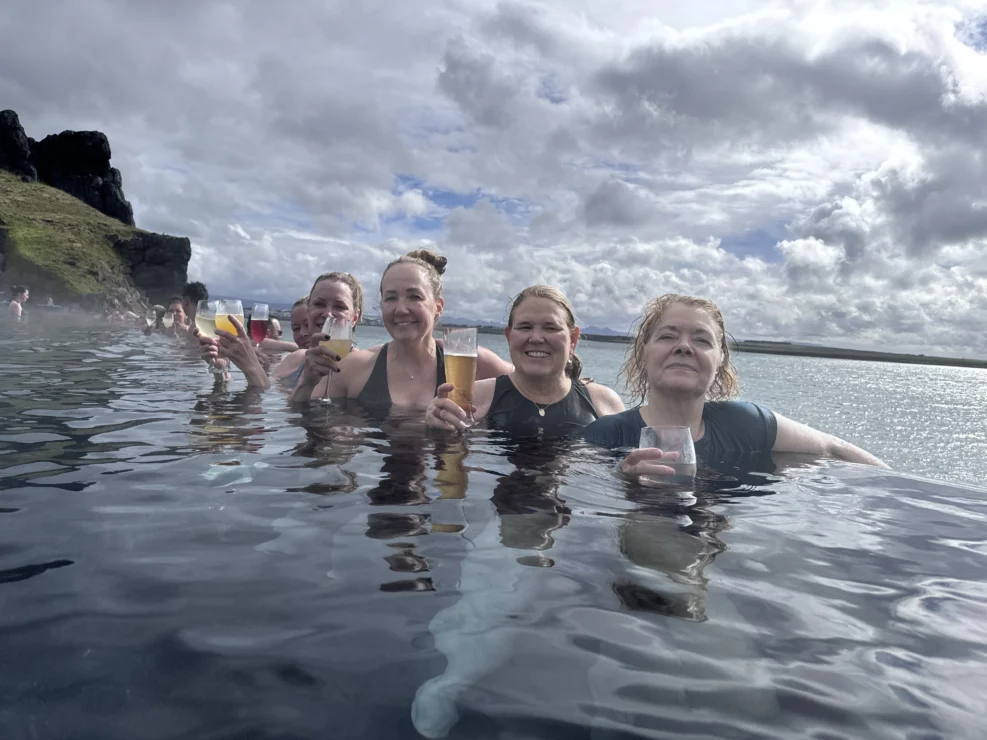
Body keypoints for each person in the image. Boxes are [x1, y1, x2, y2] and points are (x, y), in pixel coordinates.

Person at [583, 293, 887, 477]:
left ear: (719, 362)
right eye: (668, 336)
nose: (684, 347)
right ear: (643, 354)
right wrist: (620, 481)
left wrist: (897, 500)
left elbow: (834, 449)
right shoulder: (607, 434)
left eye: (702, 340)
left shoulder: (745, 424)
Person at [290, 249, 513, 412]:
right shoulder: (355, 367)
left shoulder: (473, 362)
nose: (401, 309)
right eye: (391, 298)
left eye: (414, 297)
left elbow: (536, 388)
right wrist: (307, 381)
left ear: (438, 307)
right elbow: (305, 421)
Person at [426, 285, 624, 435]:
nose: (536, 338)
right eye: (525, 327)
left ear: (573, 340)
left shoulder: (603, 403)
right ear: (509, 336)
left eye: (550, 327)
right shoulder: (475, 399)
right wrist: (434, 428)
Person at [203, 271, 365, 391]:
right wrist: (221, 370)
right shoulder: (295, 360)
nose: (327, 313)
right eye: (319, 304)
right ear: (309, 311)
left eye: (339, 306)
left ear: (355, 318)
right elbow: (262, 400)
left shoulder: (364, 367)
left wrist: (251, 365)